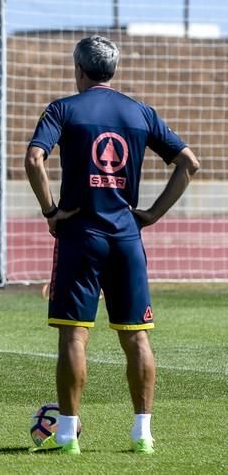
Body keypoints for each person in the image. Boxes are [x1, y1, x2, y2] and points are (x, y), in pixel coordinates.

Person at [25, 36, 199, 454]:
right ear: (113, 70)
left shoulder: (63, 109)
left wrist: (50, 210)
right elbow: (189, 163)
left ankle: (66, 435)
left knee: (74, 336)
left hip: (81, 237)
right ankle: (143, 433)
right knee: (137, 338)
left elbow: (34, 159)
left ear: (78, 69)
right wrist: (152, 214)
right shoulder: (139, 112)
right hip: (125, 238)